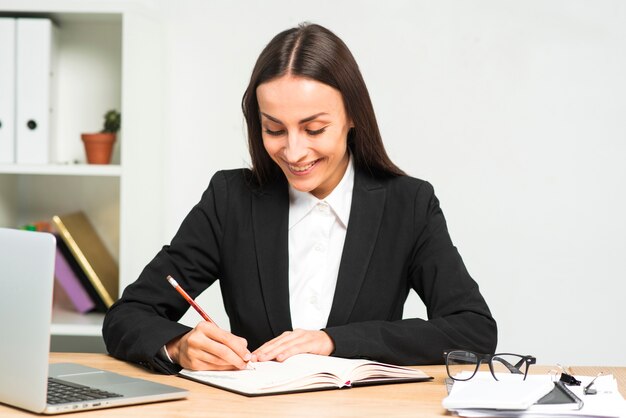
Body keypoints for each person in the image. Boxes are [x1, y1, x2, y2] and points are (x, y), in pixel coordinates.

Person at [103, 23, 497, 374]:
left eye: (314, 129)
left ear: (353, 116)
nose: (294, 152)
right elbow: (127, 316)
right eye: (274, 129)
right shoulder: (231, 200)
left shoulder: (408, 204)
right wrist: (179, 346)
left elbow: (473, 330)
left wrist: (333, 341)